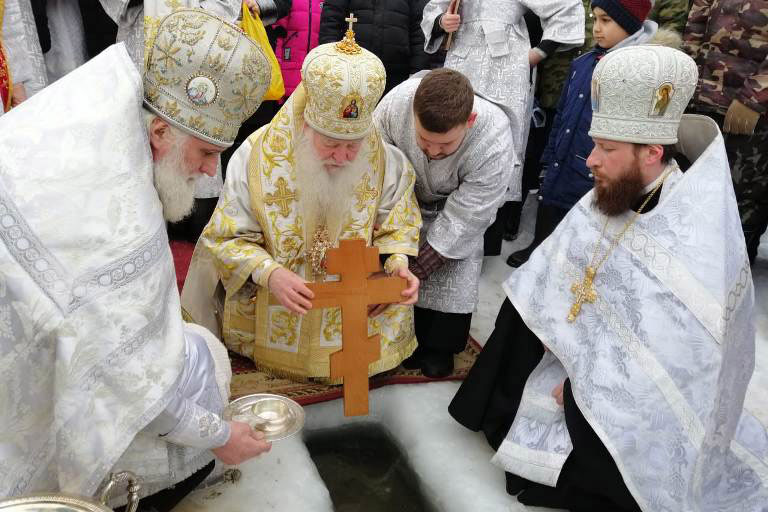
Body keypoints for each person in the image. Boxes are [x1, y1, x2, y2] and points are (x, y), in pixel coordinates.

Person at [448, 44, 768, 510]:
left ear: (652, 152)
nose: (591, 160)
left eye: (606, 149)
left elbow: (681, 356)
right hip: (581, 351)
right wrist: (554, 334)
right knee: (521, 308)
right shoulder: (614, 189)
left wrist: (584, 387)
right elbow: (556, 274)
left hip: (640, 392)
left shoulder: (696, 233)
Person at [0, 10, 274, 510]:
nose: (212, 170)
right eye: (207, 152)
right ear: (161, 135)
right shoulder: (120, 214)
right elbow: (130, 377)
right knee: (202, 367)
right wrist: (218, 435)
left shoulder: (101, 91)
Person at [181, 26, 422, 381]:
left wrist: (396, 263)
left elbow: (398, 223)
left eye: (352, 146)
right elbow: (224, 239)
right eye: (329, 144)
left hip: (355, 302)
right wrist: (270, 273)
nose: (342, 157)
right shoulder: (257, 157)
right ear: (306, 124)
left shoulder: (384, 159)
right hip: (276, 300)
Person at [506, 0, 682, 268]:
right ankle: (539, 248)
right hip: (562, 158)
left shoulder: (641, 71)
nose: (597, 29)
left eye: (606, 21)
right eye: (595, 19)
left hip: (595, 164)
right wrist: (551, 154)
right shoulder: (583, 62)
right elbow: (563, 112)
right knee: (550, 205)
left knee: (584, 222)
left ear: (629, 22)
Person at [374, 68, 515, 378]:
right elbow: (373, 171)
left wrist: (418, 266)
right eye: (424, 140)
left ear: (470, 122)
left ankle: (438, 346)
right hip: (400, 200)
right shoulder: (394, 105)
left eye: (446, 145)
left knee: (438, 349)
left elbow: (472, 211)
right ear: (413, 113)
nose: (434, 151)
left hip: (454, 210)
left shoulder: (493, 132)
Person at [421, 0, 585, 212]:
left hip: (505, 69)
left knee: (502, 144)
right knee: (455, 134)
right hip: (461, 64)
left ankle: (496, 228)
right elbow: (434, 8)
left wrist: (539, 53)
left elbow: (566, 7)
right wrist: (442, 22)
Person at [683, 0, 768, 264]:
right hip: (703, 101)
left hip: (752, 112)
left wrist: (755, 96)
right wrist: (686, 81)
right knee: (694, 191)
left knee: (742, 197)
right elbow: (696, 24)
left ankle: (732, 273)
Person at [319, 0, 431, 95]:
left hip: (397, 75)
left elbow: (421, 28)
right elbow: (331, 21)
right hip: (350, 71)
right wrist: (331, 63)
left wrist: (417, 74)